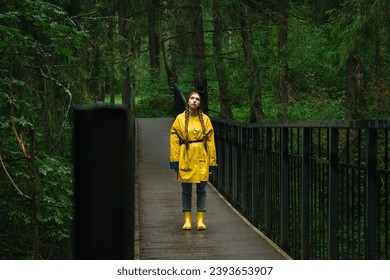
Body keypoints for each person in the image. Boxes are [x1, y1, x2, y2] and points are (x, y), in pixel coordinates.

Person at [169, 91, 217, 230]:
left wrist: (212, 162)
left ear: (200, 103)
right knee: (186, 189)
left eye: (197, 99)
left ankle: (201, 220)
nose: (194, 101)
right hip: (186, 155)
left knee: (202, 189)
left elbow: (210, 142)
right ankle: (187, 220)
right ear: (188, 101)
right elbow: (174, 140)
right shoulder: (180, 119)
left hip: (201, 156)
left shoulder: (206, 119)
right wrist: (174, 160)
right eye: (192, 98)